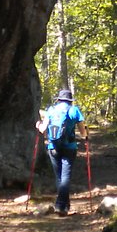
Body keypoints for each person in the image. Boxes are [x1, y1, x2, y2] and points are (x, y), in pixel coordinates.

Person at [37, 88, 88, 216]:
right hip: (69, 148)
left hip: (53, 147)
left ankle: (64, 205)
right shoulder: (74, 110)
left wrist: (38, 125)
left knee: (59, 177)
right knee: (65, 177)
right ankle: (61, 205)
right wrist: (85, 137)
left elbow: (43, 129)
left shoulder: (51, 110)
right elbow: (82, 132)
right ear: (70, 100)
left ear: (58, 99)